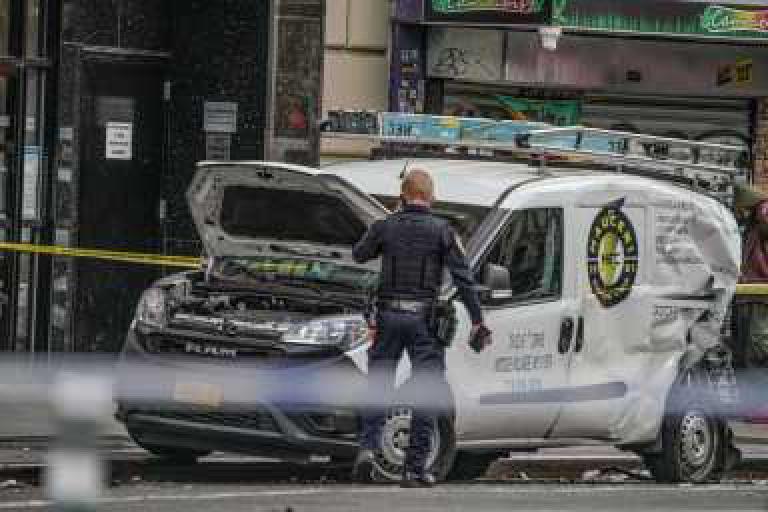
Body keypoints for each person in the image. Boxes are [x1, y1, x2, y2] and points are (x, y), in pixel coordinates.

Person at [351, 168, 489, 487]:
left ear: (402, 195)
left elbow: (359, 255)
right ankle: (414, 469)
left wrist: (385, 223)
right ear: (431, 196)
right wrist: (478, 318)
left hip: (387, 318)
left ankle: (368, 450)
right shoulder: (443, 231)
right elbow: (463, 279)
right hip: (425, 323)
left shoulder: (385, 227)